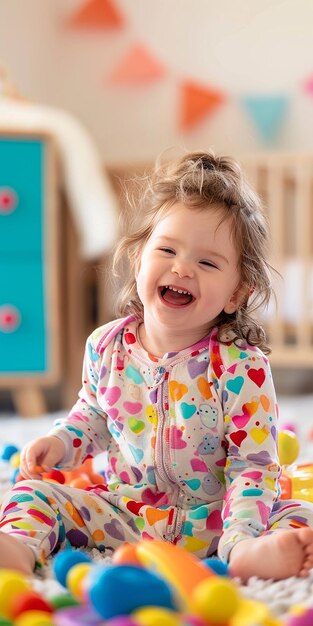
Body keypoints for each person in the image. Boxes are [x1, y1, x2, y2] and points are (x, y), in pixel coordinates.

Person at [1, 150, 313, 583]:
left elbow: (253, 464)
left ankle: (249, 556)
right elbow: (91, 417)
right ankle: (15, 548)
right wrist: (59, 443)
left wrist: (241, 535)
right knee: (35, 495)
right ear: (138, 260)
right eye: (167, 249)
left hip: (216, 520)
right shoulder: (106, 346)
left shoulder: (242, 367)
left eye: (207, 262)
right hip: (124, 515)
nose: (182, 267)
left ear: (236, 294)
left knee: (298, 512)